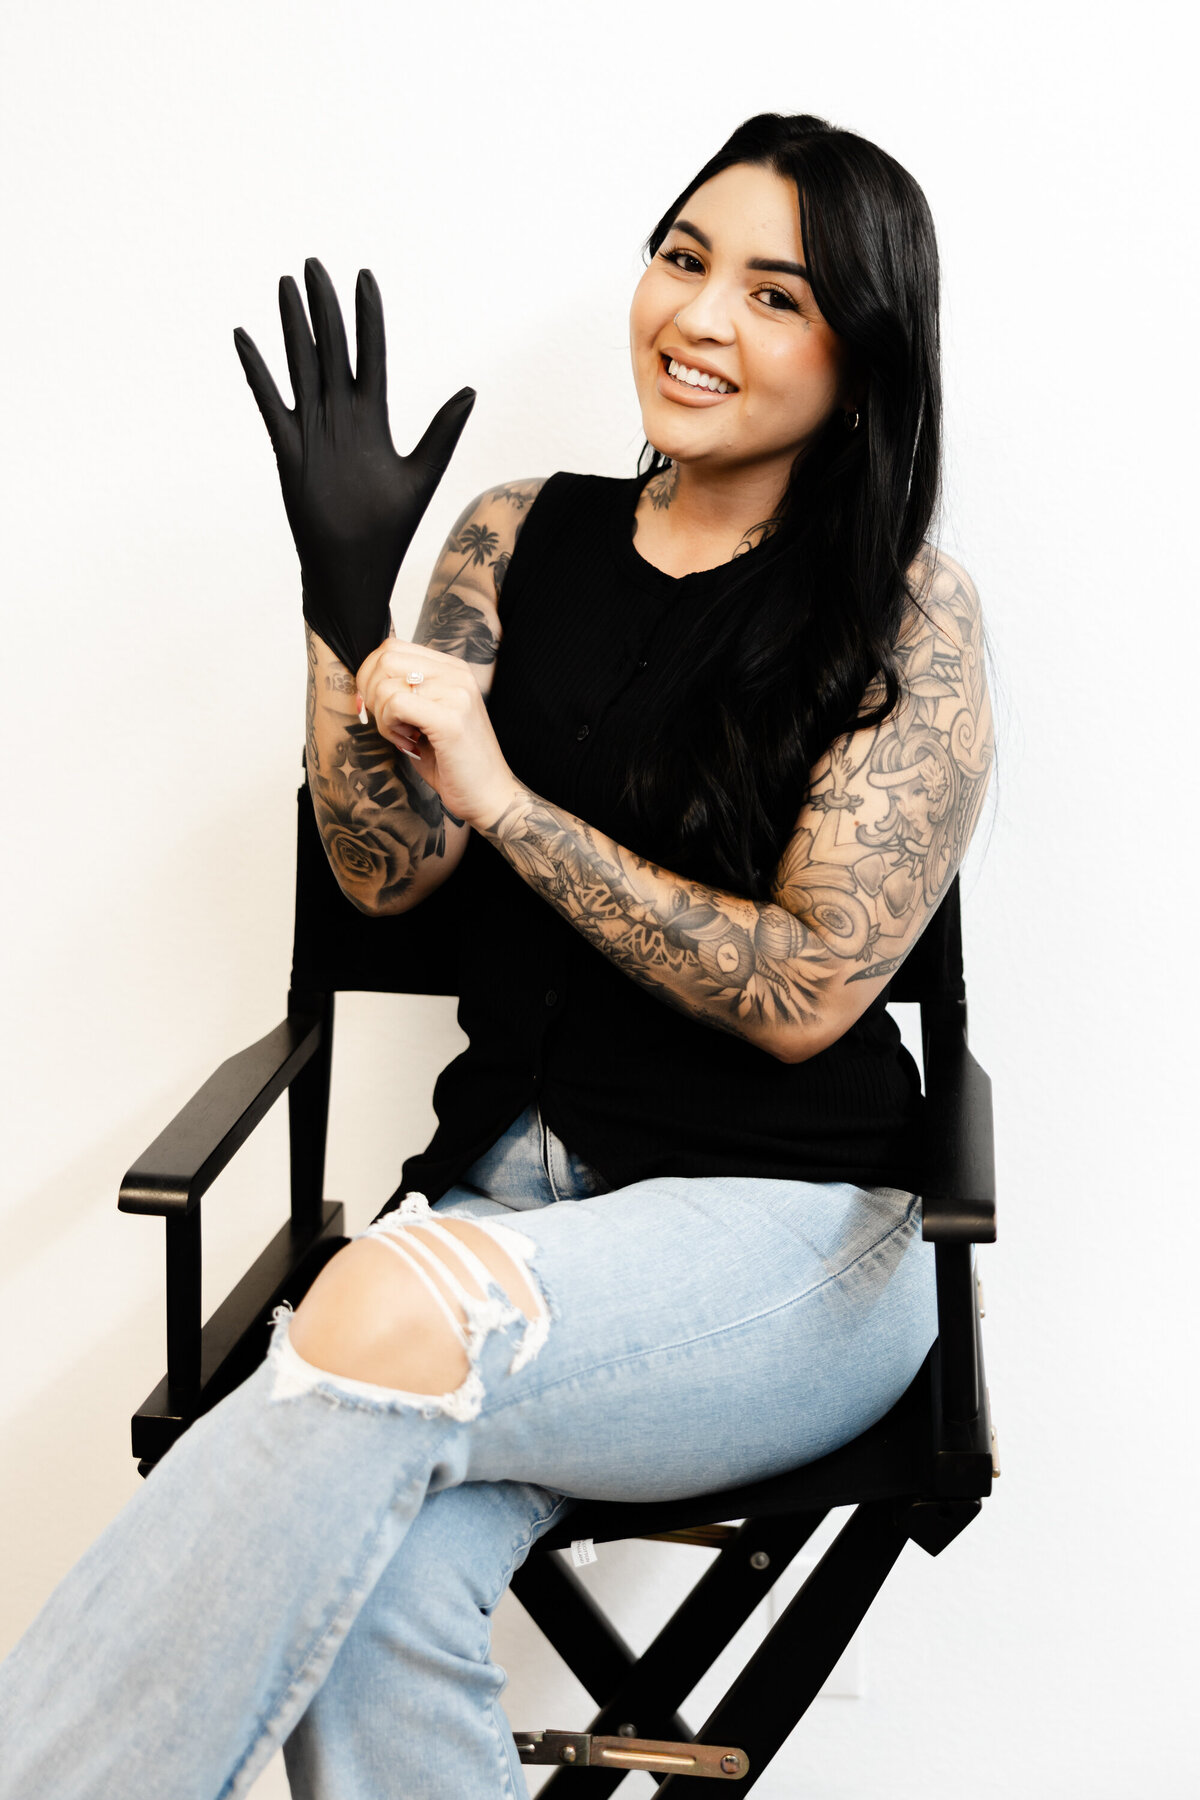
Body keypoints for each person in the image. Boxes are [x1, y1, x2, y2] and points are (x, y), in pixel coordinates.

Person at [0, 111, 994, 1799]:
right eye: (684, 260)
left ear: (867, 353)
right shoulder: (517, 534)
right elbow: (388, 873)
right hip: (511, 1208)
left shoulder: (906, 614)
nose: (698, 318)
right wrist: (342, 610)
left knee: (373, 1296)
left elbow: (812, 992)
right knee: (371, 1579)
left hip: (797, 1242)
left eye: (778, 295)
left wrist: (516, 804)